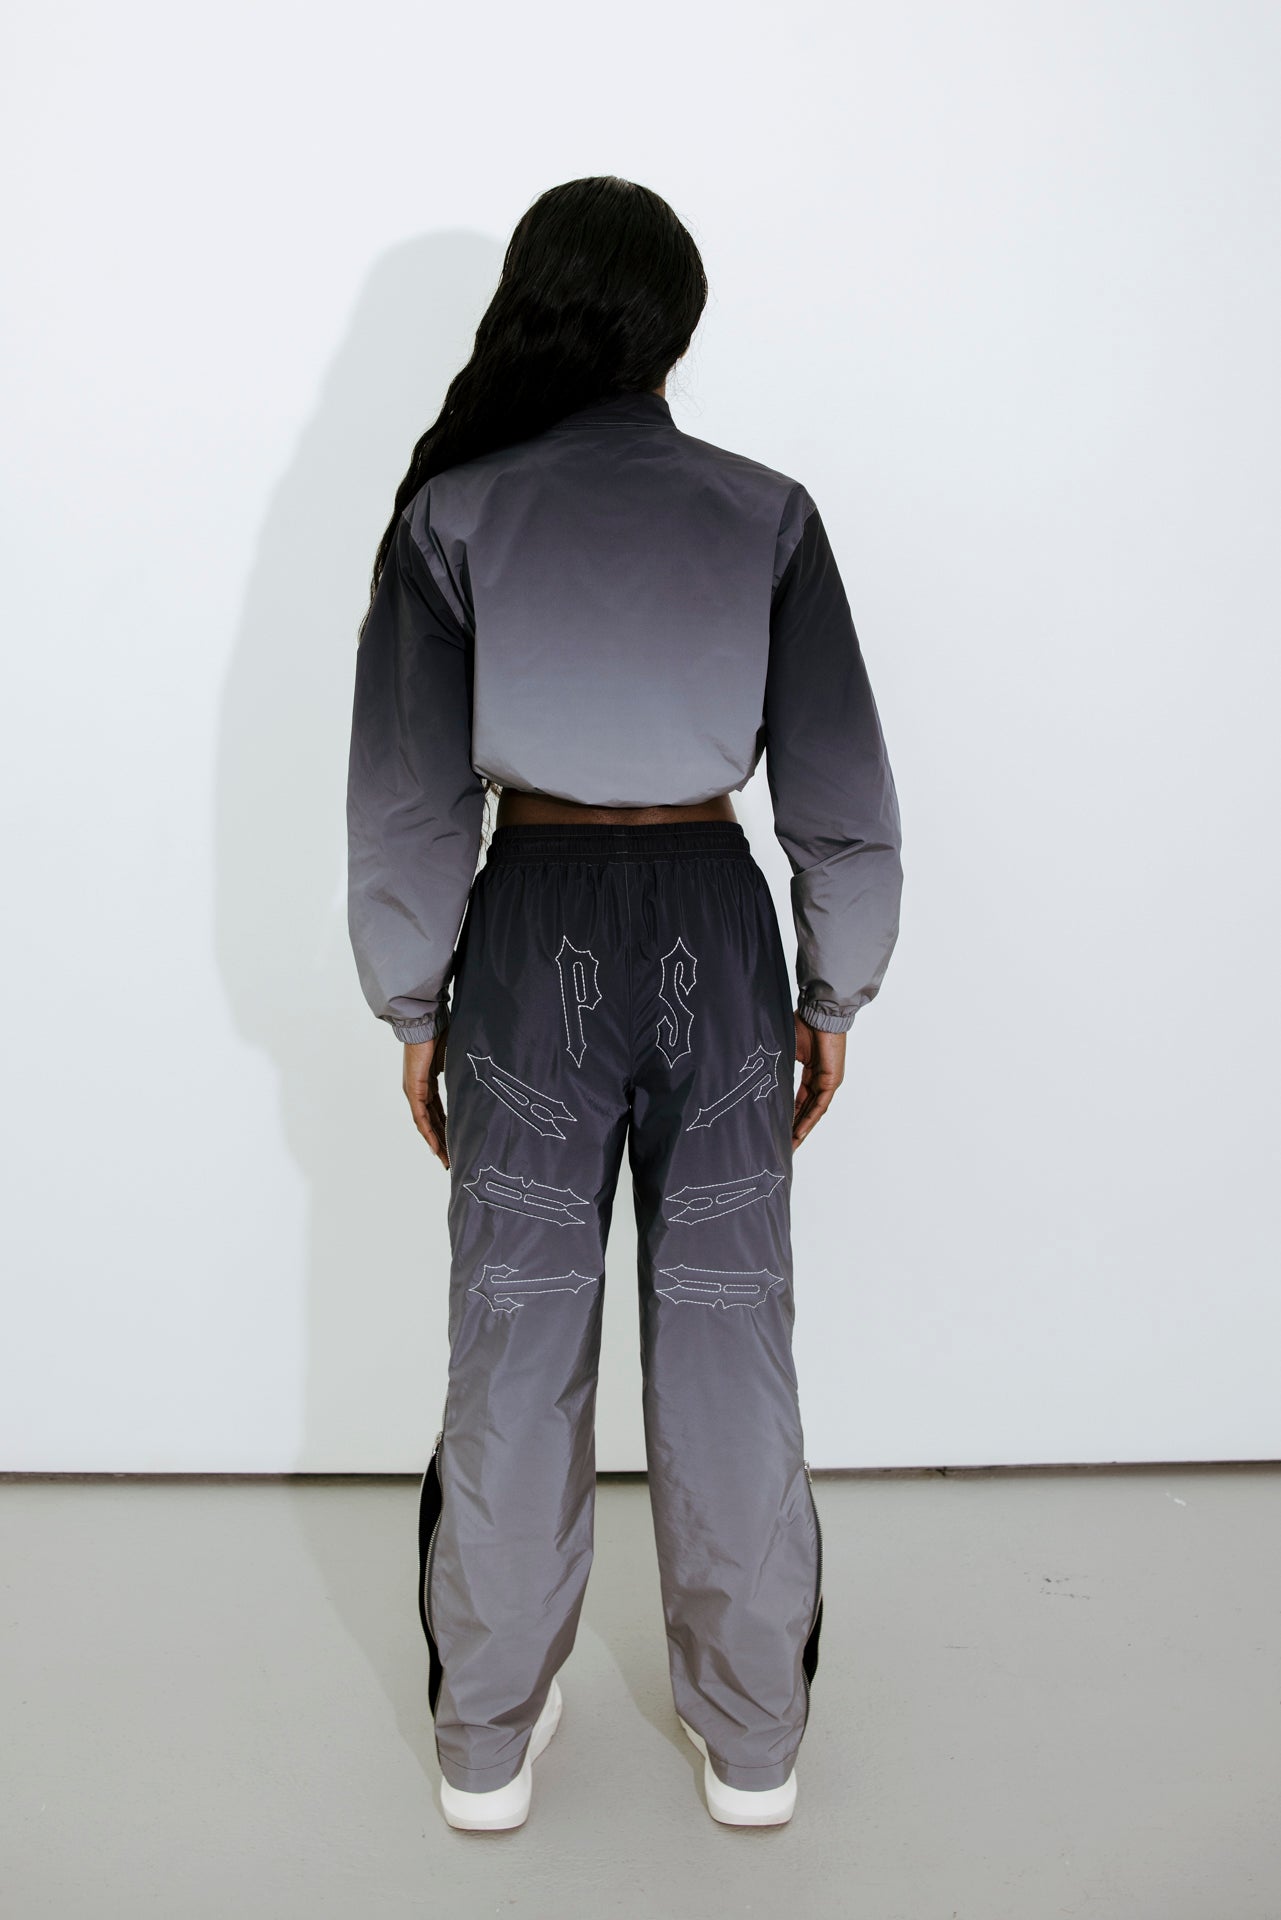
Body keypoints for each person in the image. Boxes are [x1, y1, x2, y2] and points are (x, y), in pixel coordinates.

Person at [345, 175, 904, 1832]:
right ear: (677, 323)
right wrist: (833, 988)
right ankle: (752, 1745)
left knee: (514, 1330)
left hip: (529, 931)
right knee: (728, 1332)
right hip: (714, 932)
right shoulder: (764, 514)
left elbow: (406, 799)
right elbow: (839, 792)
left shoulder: (452, 519)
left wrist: (413, 1007)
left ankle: (485, 1743)